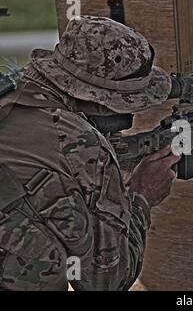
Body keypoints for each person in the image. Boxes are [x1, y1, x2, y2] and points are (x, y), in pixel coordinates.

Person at [0, 16, 180, 290]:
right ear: (101, 100)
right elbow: (105, 280)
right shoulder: (79, 142)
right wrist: (142, 195)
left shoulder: (11, 92)